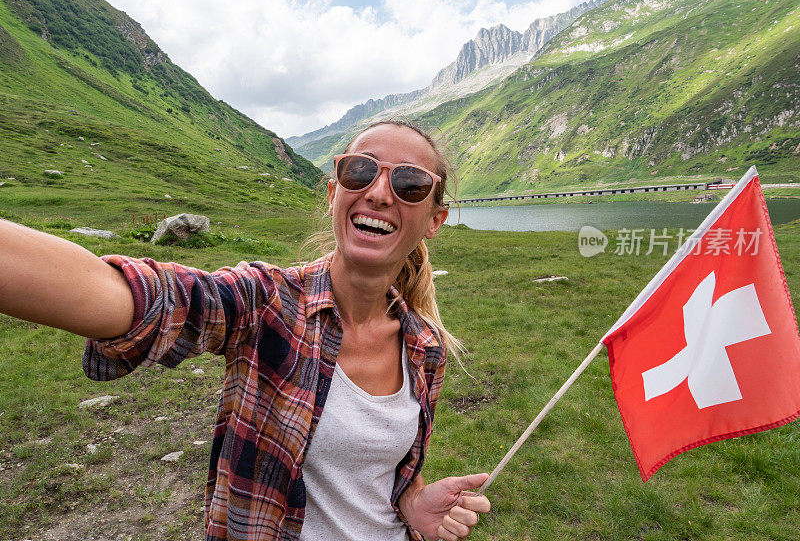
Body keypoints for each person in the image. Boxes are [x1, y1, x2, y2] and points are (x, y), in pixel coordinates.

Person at [0, 121, 491, 541]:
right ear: (333, 192)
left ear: (435, 220)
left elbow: (391, 468)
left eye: (410, 184)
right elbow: (147, 298)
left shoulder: (424, 348)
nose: (380, 193)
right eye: (360, 170)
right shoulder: (266, 303)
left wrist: (412, 505)